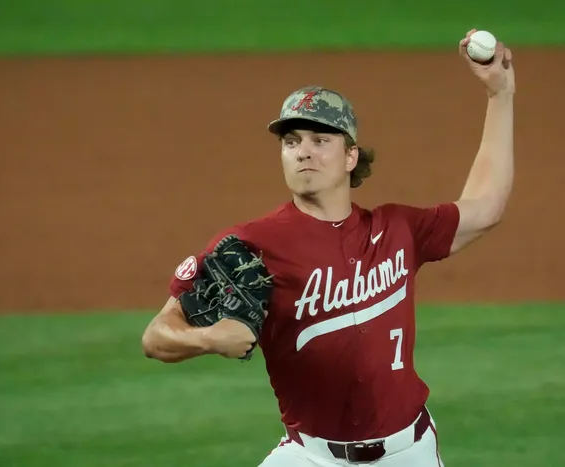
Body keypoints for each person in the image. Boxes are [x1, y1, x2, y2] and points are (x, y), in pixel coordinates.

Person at [141, 29, 515, 466]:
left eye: (321, 141)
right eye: (292, 141)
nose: (304, 152)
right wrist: (207, 339)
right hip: (311, 458)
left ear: (351, 157)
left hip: (409, 453)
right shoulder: (252, 244)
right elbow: (155, 336)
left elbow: (486, 207)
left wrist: (500, 95)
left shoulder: (398, 229)